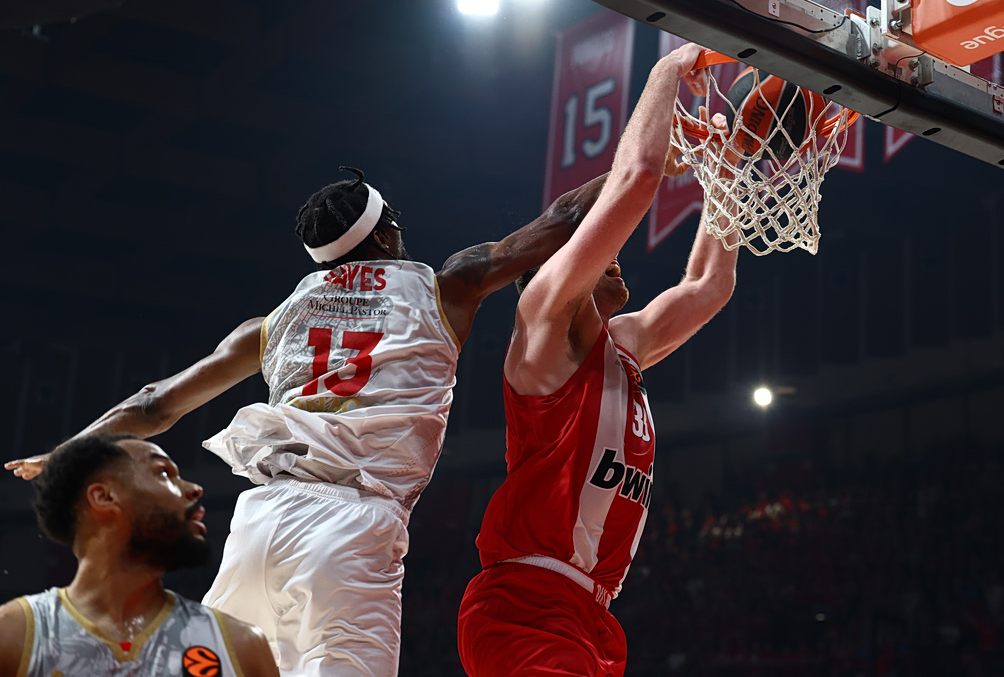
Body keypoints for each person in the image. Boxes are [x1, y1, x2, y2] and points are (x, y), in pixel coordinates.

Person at [5, 167, 606, 677]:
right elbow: (564, 217)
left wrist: (69, 450)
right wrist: (662, 157)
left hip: (259, 522)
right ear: (387, 231)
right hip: (351, 522)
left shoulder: (274, 322)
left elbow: (155, 404)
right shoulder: (447, 286)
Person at [457, 42, 738, 677]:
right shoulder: (542, 326)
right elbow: (636, 179)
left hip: (593, 614)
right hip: (522, 606)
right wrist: (672, 67)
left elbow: (708, 288)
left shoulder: (625, 348)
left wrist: (731, 170)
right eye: (598, 251)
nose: (616, 256)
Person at [0, 434, 278, 677]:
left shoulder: (240, 645)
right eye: (164, 473)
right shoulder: (14, 634)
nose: (194, 489)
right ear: (104, 497)